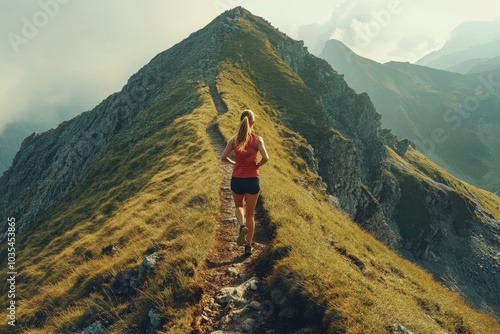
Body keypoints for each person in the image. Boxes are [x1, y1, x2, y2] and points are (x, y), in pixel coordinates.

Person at [221, 109, 269, 256]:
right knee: (250, 214)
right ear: (253, 122)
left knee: (238, 206)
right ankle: (248, 246)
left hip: (237, 180)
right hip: (253, 180)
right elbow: (266, 157)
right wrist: (257, 165)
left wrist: (234, 163)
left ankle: (241, 226)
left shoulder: (234, 140)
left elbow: (223, 157)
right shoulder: (257, 139)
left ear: (241, 120)